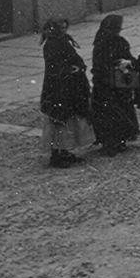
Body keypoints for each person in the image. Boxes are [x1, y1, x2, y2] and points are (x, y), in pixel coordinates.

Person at [39, 19, 92, 167]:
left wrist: (79, 67)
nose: (64, 30)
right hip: (58, 89)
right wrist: (71, 70)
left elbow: (75, 58)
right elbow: (55, 68)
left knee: (69, 120)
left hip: (69, 87)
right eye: (61, 28)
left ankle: (65, 151)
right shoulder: (52, 45)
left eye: (65, 27)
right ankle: (57, 154)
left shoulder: (63, 41)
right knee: (59, 121)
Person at [88, 14, 138, 154]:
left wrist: (128, 62)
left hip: (109, 84)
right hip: (111, 84)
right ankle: (114, 142)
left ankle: (114, 142)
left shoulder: (103, 42)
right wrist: (120, 64)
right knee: (113, 113)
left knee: (111, 113)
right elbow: (102, 65)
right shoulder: (110, 43)